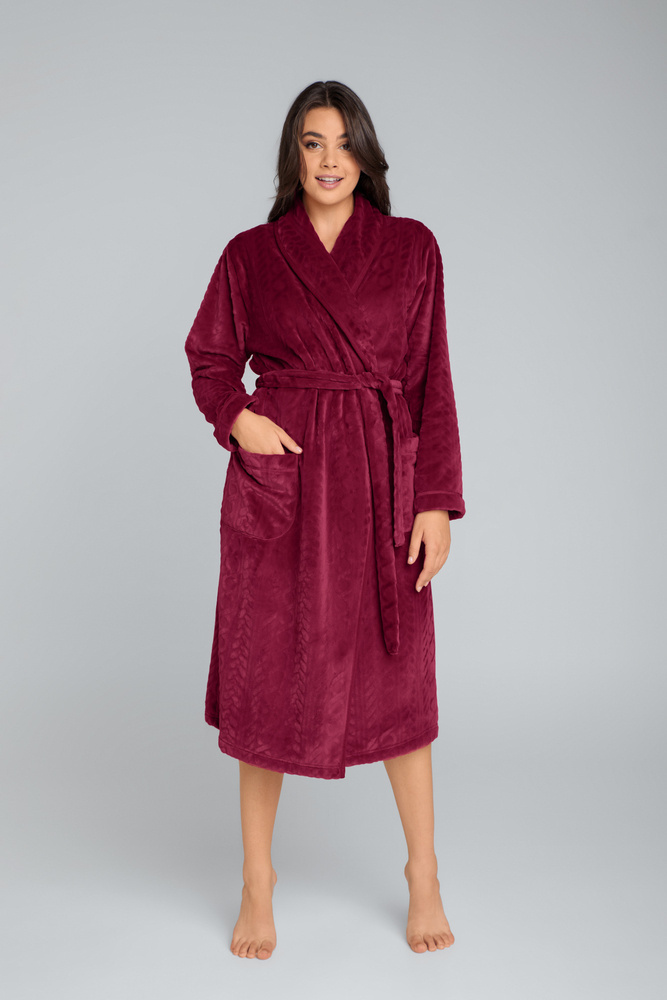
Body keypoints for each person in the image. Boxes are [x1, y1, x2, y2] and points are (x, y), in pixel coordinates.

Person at [184, 80, 466, 959]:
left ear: (366, 155)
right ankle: (255, 880)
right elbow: (209, 358)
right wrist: (238, 419)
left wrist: (434, 501)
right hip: (285, 479)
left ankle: (423, 872)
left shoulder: (412, 248)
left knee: (397, 678)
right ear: (292, 156)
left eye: (344, 143)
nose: (329, 160)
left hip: (382, 484)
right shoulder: (250, 255)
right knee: (266, 675)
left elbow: (431, 382)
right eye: (312, 143)